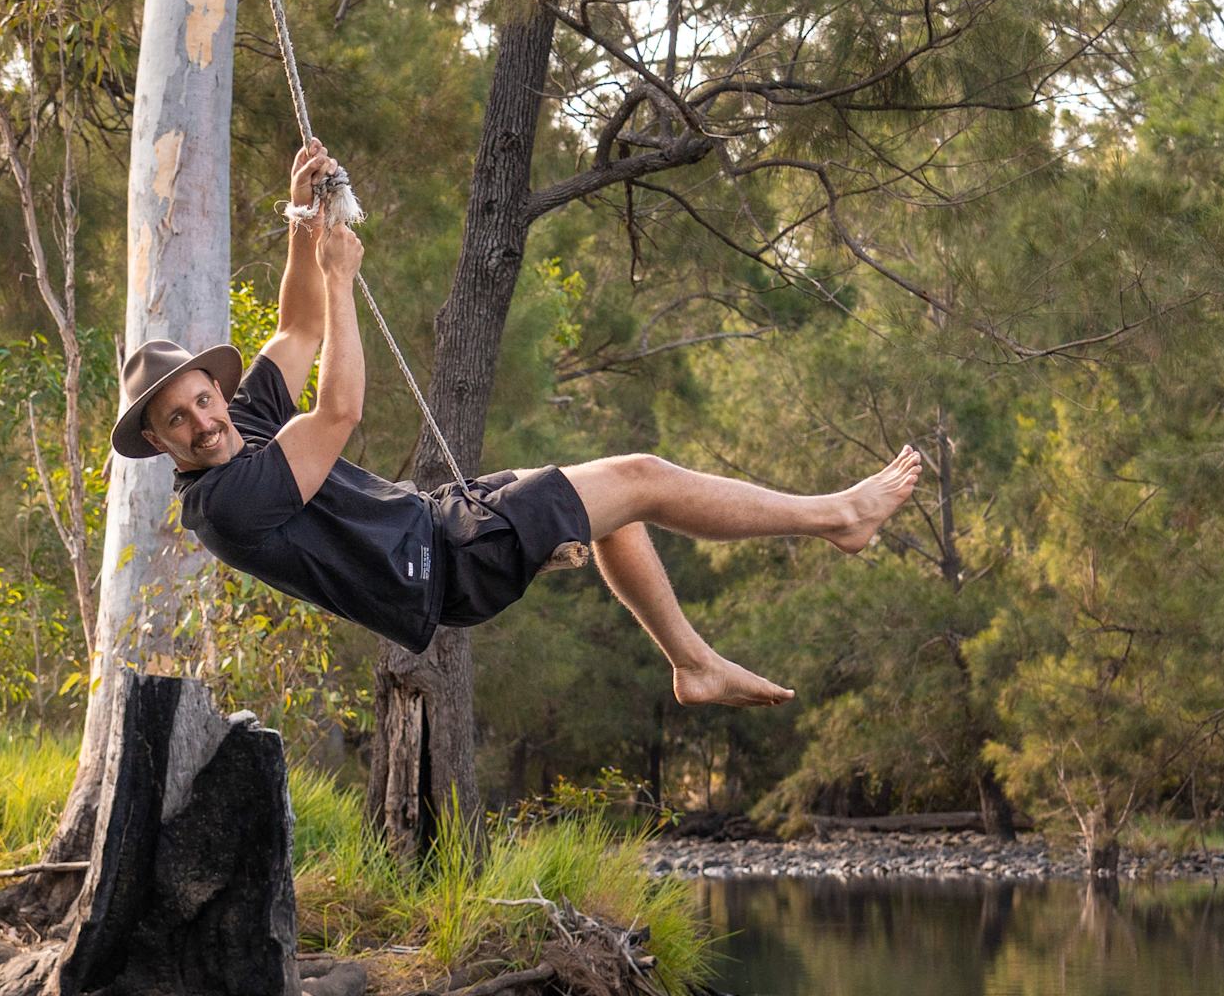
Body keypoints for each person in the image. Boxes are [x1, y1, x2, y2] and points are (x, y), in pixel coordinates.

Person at [114, 140, 920, 707]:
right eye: (177, 421)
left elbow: (294, 333)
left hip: (441, 523)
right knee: (641, 476)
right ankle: (838, 518)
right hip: (440, 566)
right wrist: (341, 278)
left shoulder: (242, 422)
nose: (201, 422)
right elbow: (342, 410)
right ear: (159, 443)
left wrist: (301, 214)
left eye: (202, 400)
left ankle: (693, 664)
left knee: (614, 506)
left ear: (216, 393)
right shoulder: (226, 506)